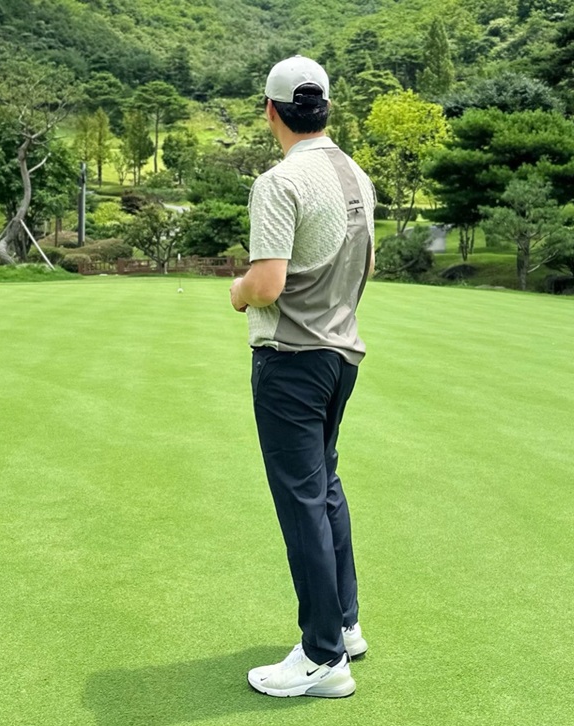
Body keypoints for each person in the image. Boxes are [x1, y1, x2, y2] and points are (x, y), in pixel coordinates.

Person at [229, 55, 375, 699]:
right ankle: (343, 625)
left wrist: (236, 291)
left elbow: (265, 285)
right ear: (326, 108)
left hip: (290, 360)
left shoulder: (279, 181)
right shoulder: (357, 175)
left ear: (271, 110)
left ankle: (322, 657)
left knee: (302, 503)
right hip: (340, 356)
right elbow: (365, 267)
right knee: (325, 491)